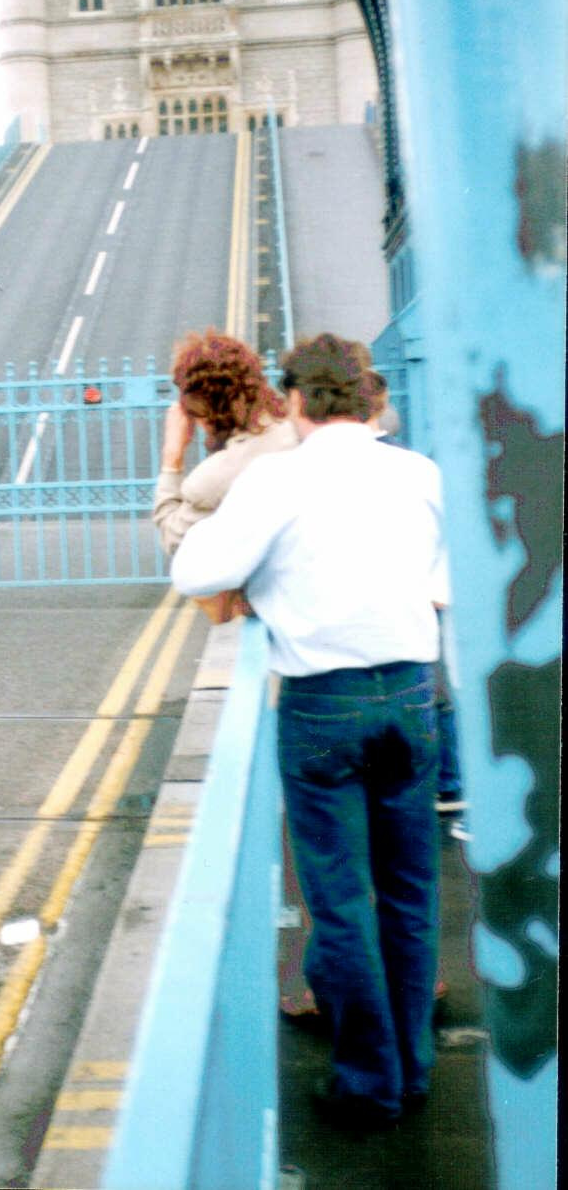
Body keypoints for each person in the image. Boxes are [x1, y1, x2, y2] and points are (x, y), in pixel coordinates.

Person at [171, 333, 447, 1131]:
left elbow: (196, 571)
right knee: (410, 892)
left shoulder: (276, 480)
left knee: (341, 902)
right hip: (409, 695)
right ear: (366, 400)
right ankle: (414, 1067)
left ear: (292, 401)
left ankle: (369, 1084)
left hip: (322, 703)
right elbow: (448, 574)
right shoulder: (417, 471)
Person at [365, 369, 469, 833]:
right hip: (425, 593)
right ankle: (450, 783)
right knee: (438, 694)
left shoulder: (339, 470)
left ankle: (435, 782)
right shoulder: (419, 468)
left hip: (382, 596)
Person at [152, 329, 298, 620]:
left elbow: (175, 539)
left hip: (273, 619)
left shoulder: (214, 478)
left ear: (204, 412)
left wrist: (172, 457)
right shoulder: (300, 431)